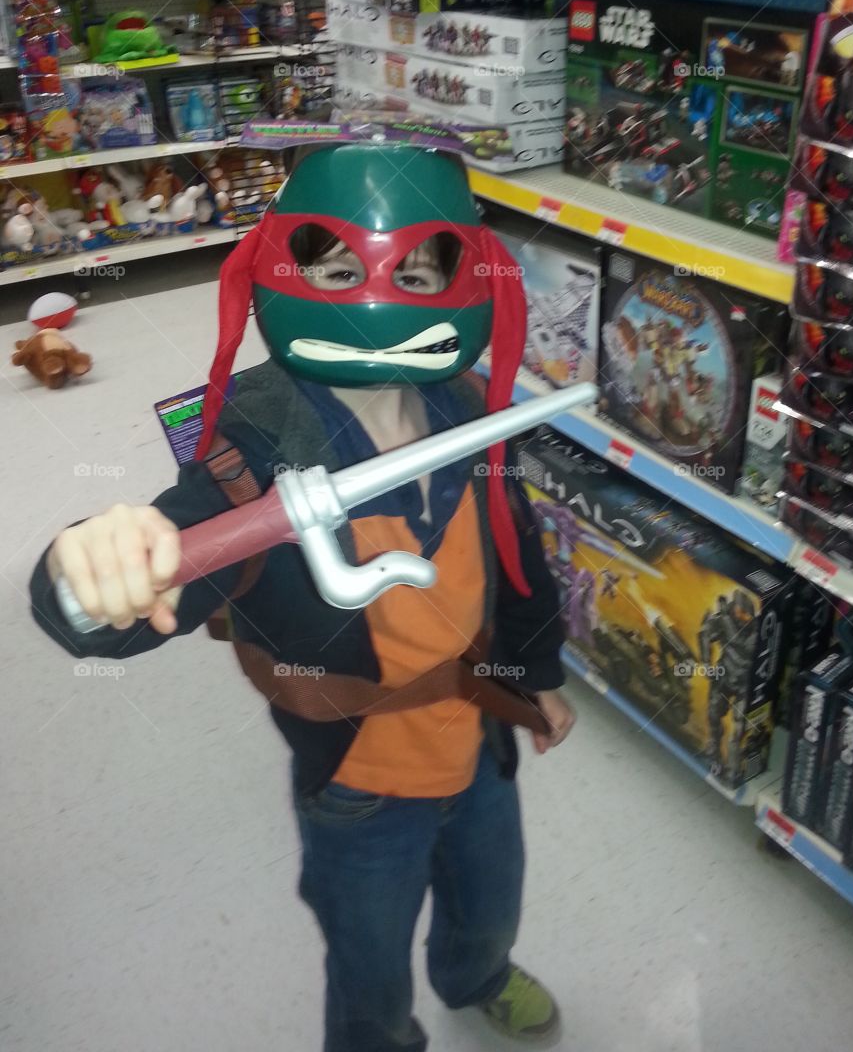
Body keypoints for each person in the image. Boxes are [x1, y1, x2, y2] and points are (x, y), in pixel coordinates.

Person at [30, 144, 576, 1052]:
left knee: (490, 898)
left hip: (479, 744)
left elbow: (515, 556)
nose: (378, 291)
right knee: (366, 968)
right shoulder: (249, 450)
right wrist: (92, 562)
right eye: (337, 267)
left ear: (461, 275)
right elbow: (107, 604)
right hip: (357, 786)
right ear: (286, 272)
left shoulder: (471, 408)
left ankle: (474, 974)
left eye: (415, 268)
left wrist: (538, 674)